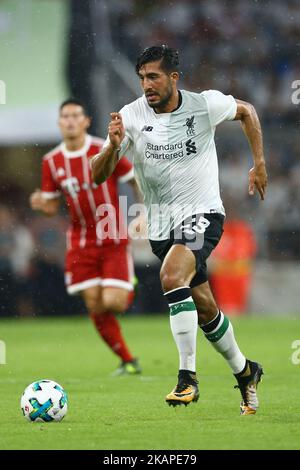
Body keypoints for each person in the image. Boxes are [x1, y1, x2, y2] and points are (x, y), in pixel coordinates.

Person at [91, 45, 268, 415]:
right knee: (204, 308)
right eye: (142, 78)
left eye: (153, 77)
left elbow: (247, 111)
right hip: (161, 227)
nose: (146, 85)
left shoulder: (205, 105)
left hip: (203, 213)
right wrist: (111, 144)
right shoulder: (131, 116)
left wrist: (259, 163)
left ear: (174, 77)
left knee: (172, 275)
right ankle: (246, 371)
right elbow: (98, 174)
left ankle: (187, 378)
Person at [30, 98, 142, 376]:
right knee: (94, 303)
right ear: (59, 123)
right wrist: (40, 204)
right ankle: (128, 360)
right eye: (64, 116)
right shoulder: (51, 162)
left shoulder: (103, 149)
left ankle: (129, 281)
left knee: (113, 302)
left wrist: (143, 212)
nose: (69, 120)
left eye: (75, 115)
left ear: (85, 121)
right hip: (80, 240)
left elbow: (134, 178)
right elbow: (52, 205)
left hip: (112, 234)